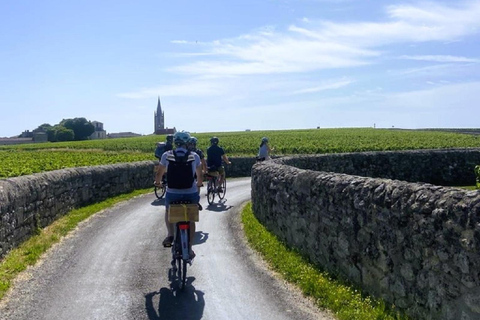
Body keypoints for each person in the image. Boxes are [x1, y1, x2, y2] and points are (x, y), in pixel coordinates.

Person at [155, 131, 203, 258]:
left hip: (172, 192)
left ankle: (170, 234)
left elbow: (160, 172)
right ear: (188, 143)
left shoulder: (166, 155)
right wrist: (199, 183)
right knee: (191, 219)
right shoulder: (195, 156)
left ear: (175, 143)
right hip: (190, 193)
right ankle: (190, 248)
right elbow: (200, 175)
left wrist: (158, 182)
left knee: (168, 211)